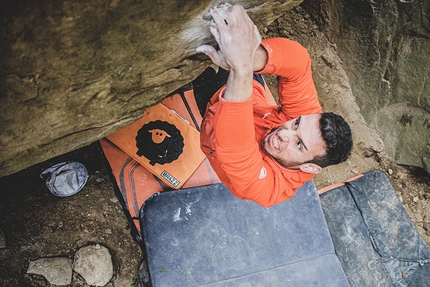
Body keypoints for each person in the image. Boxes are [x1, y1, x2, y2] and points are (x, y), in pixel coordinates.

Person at [194, 4, 353, 208]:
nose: (284, 134)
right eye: (296, 124)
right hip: (247, 88)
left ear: (310, 167)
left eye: (298, 145)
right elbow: (299, 62)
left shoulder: (269, 189)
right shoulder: (311, 125)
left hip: (215, 113)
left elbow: (234, 148)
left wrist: (241, 67)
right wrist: (250, 59)